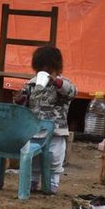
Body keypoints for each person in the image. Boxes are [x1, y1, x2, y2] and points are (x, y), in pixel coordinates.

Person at [14, 46, 76, 194]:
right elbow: (23, 101)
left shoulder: (63, 84)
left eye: (49, 70)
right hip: (35, 130)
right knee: (34, 157)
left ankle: (53, 182)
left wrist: (57, 82)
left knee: (55, 156)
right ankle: (33, 180)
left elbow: (71, 92)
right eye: (41, 70)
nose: (45, 74)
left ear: (57, 69)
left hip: (56, 130)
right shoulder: (31, 84)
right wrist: (20, 99)